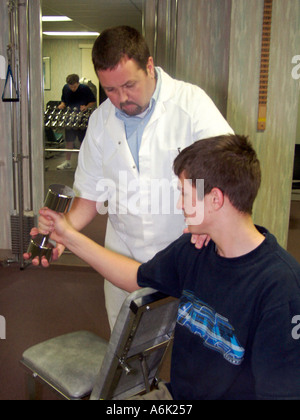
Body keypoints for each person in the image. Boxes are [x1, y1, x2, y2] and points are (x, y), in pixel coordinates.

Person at [33, 134, 300, 400]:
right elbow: (135, 276)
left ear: (215, 199)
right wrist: (67, 235)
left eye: (184, 194)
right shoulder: (195, 249)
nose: (179, 204)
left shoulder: (280, 288)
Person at [26, 26, 233, 331]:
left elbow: (227, 173)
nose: (122, 99)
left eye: (129, 85)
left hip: (186, 252)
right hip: (122, 255)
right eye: (110, 90)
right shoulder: (100, 121)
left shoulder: (191, 105)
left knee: (191, 353)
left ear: (149, 66)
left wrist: (206, 221)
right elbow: (91, 196)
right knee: (127, 353)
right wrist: (62, 232)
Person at [56, 74, 96, 170]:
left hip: (82, 118)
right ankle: (67, 162)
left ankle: (85, 163)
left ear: (78, 83)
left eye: (74, 86)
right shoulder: (65, 88)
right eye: (71, 87)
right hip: (70, 118)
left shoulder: (85, 89)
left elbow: (93, 102)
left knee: (83, 141)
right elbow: (63, 101)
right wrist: (62, 105)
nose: (72, 89)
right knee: (69, 141)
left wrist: (86, 107)